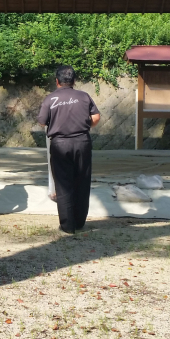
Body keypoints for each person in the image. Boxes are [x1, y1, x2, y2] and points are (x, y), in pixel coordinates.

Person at [37, 65, 101, 234]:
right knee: (82, 181)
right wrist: (84, 125)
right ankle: (79, 222)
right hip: (82, 142)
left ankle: (67, 226)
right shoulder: (84, 96)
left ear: (57, 81)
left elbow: (42, 121)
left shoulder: (50, 99)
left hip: (60, 144)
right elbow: (96, 117)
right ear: (74, 81)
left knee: (63, 183)